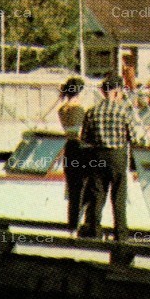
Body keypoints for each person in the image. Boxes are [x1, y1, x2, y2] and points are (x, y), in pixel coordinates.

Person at [80, 76, 138, 241]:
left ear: (103, 92)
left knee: (97, 194)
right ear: (117, 91)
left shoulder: (92, 112)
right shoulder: (123, 112)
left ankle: (94, 231)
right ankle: (120, 234)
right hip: (117, 156)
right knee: (118, 196)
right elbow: (133, 137)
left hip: (97, 155)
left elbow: (85, 139)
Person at [56, 77, 88, 233]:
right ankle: (81, 223)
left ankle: (72, 224)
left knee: (72, 188)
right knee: (84, 187)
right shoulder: (80, 109)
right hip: (80, 148)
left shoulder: (62, 110)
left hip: (68, 147)